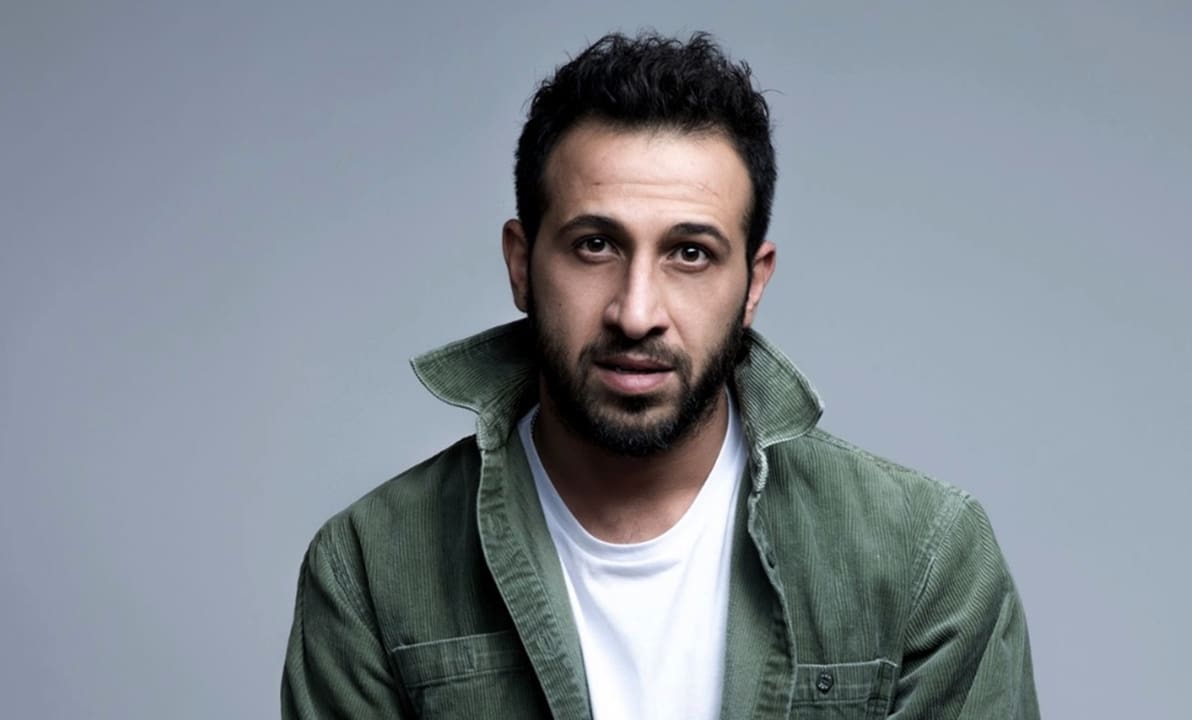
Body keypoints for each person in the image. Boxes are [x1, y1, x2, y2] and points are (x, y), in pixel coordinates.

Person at [282, 31, 1039, 720]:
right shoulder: (370, 567)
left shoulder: (923, 559)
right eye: (595, 245)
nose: (637, 312)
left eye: (690, 253)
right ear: (521, 264)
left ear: (753, 284)